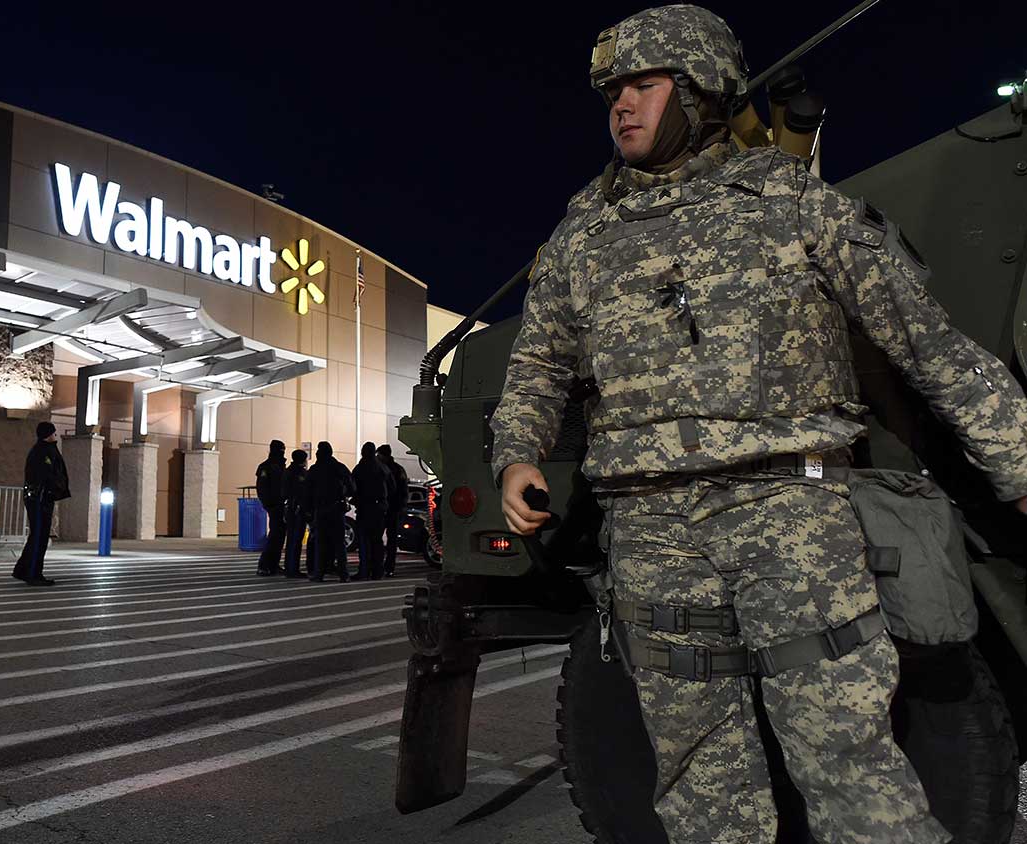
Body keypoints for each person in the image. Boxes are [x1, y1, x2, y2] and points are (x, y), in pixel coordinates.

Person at [491, 5, 1027, 842]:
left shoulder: (792, 202)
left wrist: (1020, 466)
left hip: (789, 518)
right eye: (612, 92)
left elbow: (928, 346)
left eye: (644, 84)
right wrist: (516, 453)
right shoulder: (582, 234)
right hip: (652, 527)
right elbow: (538, 364)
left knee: (847, 756)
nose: (621, 106)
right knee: (697, 772)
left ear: (701, 90)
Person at [15, 421, 69, 585]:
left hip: (42, 498)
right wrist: (54, 489)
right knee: (39, 537)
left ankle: (23, 570)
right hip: (39, 499)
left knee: (38, 536)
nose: (55, 435)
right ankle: (33, 573)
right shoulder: (42, 452)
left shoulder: (45, 450)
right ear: (48, 434)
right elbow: (46, 475)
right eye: (53, 433)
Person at [303, 441, 354, 582]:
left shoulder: (314, 469)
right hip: (337, 508)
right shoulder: (340, 468)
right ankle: (344, 574)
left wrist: (308, 510)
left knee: (321, 542)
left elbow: (307, 492)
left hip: (320, 510)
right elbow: (352, 487)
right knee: (339, 542)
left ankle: (319, 573)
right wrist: (343, 494)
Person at [350, 442, 392, 580]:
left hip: (365, 508)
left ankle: (364, 571)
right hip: (380, 508)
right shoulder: (383, 468)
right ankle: (377, 571)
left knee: (364, 542)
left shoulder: (360, 468)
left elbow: (352, 487)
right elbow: (393, 487)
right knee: (377, 541)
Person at [376, 444, 410, 577]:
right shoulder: (398, 469)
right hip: (394, 509)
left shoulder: (382, 469)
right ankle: (389, 567)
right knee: (391, 540)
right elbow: (404, 491)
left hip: (385, 508)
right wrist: (402, 506)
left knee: (378, 538)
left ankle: (380, 566)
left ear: (383, 455)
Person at [255, 439, 287, 576]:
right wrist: (268, 504)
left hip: (280, 504)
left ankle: (273, 564)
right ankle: (264, 565)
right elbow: (262, 488)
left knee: (279, 535)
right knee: (275, 535)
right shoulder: (266, 467)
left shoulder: (279, 466)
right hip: (274, 505)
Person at [281, 449, 309, 578]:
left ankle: (289, 567)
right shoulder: (299, 473)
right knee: (296, 540)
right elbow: (302, 492)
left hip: (289, 508)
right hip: (297, 509)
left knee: (291, 538)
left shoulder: (287, 471)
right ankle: (293, 569)